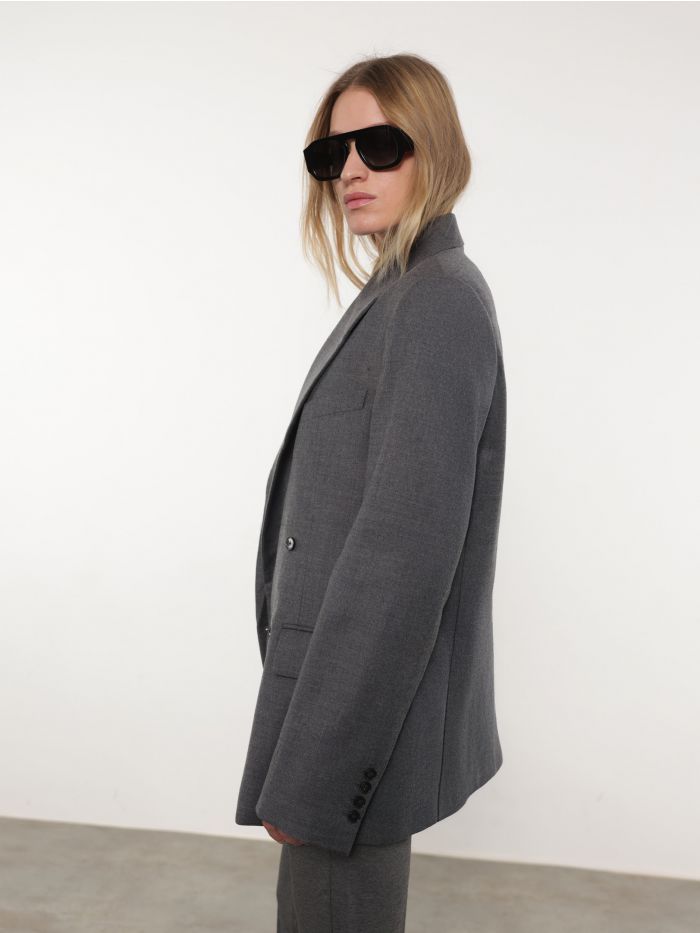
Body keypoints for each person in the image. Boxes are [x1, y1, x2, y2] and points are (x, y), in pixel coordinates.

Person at [235, 52, 507, 933]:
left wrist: (316, 768)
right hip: (334, 701)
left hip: (350, 726)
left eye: (379, 146)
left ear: (434, 148)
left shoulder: (435, 304)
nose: (350, 170)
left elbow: (400, 561)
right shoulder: (402, 293)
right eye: (332, 154)